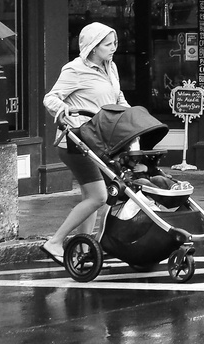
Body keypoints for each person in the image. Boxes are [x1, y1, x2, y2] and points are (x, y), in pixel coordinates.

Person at [40, 22, 127, 264]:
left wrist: (133, 117)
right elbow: (51, 98)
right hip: (77, 141)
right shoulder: (75, 69)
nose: (114, 48)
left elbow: (117, 97)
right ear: (93, 46)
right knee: (99, 196)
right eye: (108, 44)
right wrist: (63, 110)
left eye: (115, 43)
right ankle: (55, 242)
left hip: (99, 141)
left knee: (91, 197)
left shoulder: (111, 68)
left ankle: (83, 249)